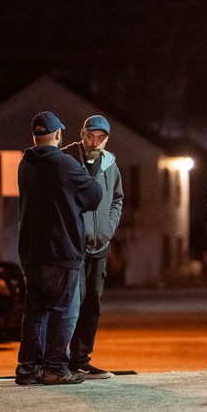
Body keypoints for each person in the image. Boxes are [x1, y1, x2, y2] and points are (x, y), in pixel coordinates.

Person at [15, 111, 103, 385]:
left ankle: (27, 369)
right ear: (57, 135)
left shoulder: (24, 164)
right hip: (61, 248)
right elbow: (94, 196)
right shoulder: (65, 164)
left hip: (31, 250)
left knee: (34, 312)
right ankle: (55, 368)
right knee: (64, 309)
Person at [62, 115, 123, 380]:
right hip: (73, 245)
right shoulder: (66, 159)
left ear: (106, 139)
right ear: (82, 133)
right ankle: (57, 360)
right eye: (90, 136)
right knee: (70, 303)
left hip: (100, 245)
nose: (95, 142)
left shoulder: (110, 164)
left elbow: (117, 199)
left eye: (101, 138)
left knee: (91, 304)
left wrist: (108, 228)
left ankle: (81, 360)